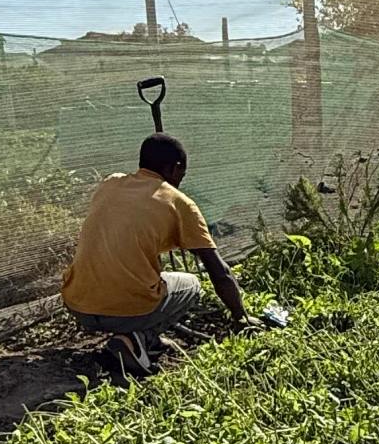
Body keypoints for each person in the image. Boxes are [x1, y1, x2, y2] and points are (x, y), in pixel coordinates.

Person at [61, 133, 246, 373]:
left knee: (146, 275)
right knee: (191, 284)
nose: (180, 180)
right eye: (182, 174)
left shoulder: (110, 183)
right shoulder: (179, 203)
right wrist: (240, 316)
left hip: (77, 304)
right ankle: (138, 338)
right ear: (175, 168)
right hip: (123, 311)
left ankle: (142, 337)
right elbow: (217, 270)